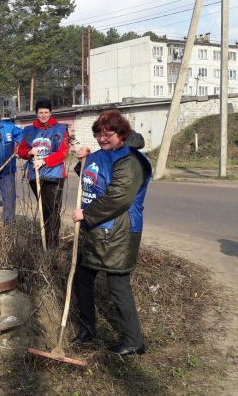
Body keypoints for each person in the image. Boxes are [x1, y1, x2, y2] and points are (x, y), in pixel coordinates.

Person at [70, 109, 152, 357]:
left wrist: (86, 214)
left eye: (108, 134)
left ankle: (133, 341)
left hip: (118, 233)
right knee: (82, 279)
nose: (102, 138)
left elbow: (119, 197)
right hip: (94, 231)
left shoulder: (130, 160)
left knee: (117, 286)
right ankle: (87, 329)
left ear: (121, 132)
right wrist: (82, 162)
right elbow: (93, 179)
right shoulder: (102, 153)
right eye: (98, 134)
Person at [17, 99, 69, 249]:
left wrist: (44, 161)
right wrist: (29, 152)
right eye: (41, 112)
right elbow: (20, 151)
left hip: (55, 174)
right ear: (36, 113)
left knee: (53, 209)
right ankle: (45, 241)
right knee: (44, 208)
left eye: (46, 112)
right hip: (35, 175)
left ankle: (53, 243)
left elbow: (62, 153)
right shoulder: (29, 131)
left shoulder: (60, 129)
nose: (44, 115)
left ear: (51, 112)